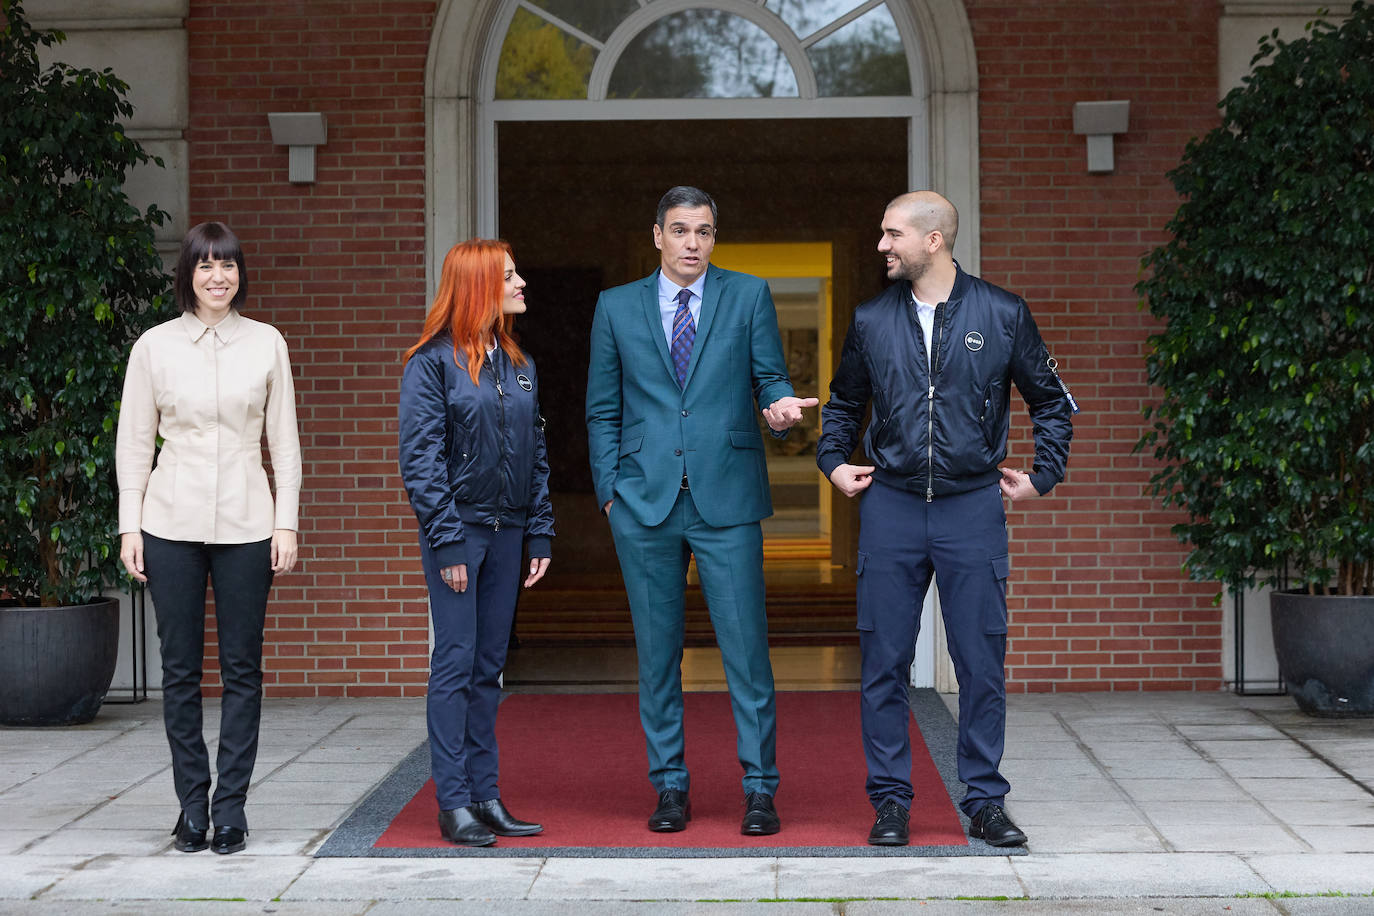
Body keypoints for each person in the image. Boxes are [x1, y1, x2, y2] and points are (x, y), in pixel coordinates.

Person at [817, 191, 1074, 848]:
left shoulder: (1003, 313)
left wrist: (1043, 476)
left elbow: (1051, 402)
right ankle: (891, 802)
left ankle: (985, 802)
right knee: (883, 663)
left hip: (972, 509)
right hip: (892, 508)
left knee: (981, 662)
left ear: (933, 240)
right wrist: (833, 462)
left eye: (891, 233)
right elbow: (845, 403)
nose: (881, 245)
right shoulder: (872, 319)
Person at [585, 186, 817, 836]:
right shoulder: (616, 306)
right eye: (681, 230)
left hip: (728, 496)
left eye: (705, 231)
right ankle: (669, 787)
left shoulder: (746, 295)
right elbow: (602, 407)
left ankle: (761, 790)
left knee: (747, 651)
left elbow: (768, 377)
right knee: (657, 653)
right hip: (643, 501)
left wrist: (776, 410)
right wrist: (610, 490)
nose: (693, 243)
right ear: (657, 234)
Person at [116, 221, 302, 856]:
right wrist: (128, 524)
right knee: (179, 671)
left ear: (240, 274)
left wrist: (287, 520)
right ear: (187, 275)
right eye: (205, 265)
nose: (218, 276)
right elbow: (136, 442)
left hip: (250, 522)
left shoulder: (267, 343)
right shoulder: (154, 347)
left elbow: (285, 441)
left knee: (243, 669)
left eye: (228, 265)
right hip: (170, 521)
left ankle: (232, 809)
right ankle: (191, 806)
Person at [398, 239, 554, 848]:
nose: (520, 284)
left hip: (510, 530)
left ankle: (486, 796)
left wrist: (540, 527)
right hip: (459, 532)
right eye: (509, 275)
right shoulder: (431, 363)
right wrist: (445, 541)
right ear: (479, 286)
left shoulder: (519, 365)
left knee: (490, 667)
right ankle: (453, 802)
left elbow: (536, 454)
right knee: (456, 663)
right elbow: (421, 461)